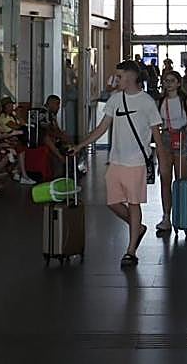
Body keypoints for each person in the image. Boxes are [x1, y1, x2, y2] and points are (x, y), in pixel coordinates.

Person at [72, 60, 169, 267]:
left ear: (131, 76)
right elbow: (102, 127)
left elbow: (157, 136)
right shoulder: (116, 99)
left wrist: (162, 161)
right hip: (116, 160)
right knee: (113, 203)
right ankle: (137, 227)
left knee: (134, 203)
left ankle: (131, 250)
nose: (117, 80)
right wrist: (81, 145)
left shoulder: (147, 102)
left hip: (136, 161)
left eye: (120, 76)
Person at [154, 69, 187, 236]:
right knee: (165, 179)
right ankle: (166, 216)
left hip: (181, 138)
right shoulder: (161, 100)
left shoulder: (185, 100)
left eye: (172, 80)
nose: (168, 83)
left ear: (178, 83)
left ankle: (185, 212)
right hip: (165, 139)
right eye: (166, 80)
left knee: (182, 180)